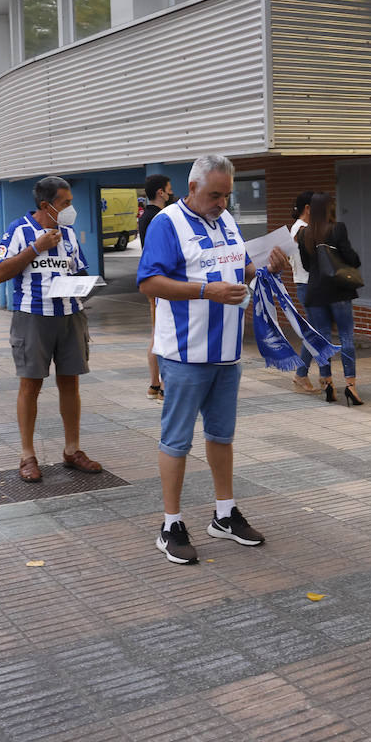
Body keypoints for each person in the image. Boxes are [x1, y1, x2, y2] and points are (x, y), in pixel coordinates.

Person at [137, 155, 291, 566]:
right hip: (185, 353)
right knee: (177, 440)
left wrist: (266, 268)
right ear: (191, 188)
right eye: (214, 195)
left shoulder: (226, 222)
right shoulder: (166, 222)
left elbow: (240, 272)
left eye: (227, 195)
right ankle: (171, 524)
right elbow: (149, 281)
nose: (221, 203)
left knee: (222, 437)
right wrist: (207, 292)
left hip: (227, 352)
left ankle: (224, 514)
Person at [0, 176, 103, 483]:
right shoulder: (19, 229)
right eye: (65, 203)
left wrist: (87, 286)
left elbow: (79, 270)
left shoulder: (68, 233)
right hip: (33, 318)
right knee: (30, 386)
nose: (71, 209)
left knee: (71, 384)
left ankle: (72, 450)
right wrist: (35, 248)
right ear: (46, 205)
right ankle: (27, 456)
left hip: (70, 315)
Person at [296, 192, 362, 405]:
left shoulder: (305, 233)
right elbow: (352, 258)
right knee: (346, 337)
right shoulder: (338, 228)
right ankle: (350, 385)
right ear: (329, 209)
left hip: (315, 292)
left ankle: (328, 383)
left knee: (322, 338)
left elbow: (306, 266)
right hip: (338, 290)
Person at [139, 173, 173, 399]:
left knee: (157, 333)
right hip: (161, 283)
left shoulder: (146, 216)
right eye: (169, 189)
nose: (171, 193)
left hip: (154, 280)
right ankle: (159, 385)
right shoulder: (160, 218)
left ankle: (155, 384)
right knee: (161, 334)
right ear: (160, 192)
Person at [288, 191, 318, 395]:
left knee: (315, 330)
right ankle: (301, 373)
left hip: (306, 284)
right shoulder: (302, 229)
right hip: (307, 284)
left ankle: (303, 372)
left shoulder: (298, 228)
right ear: (308, 208)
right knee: (314, 331)